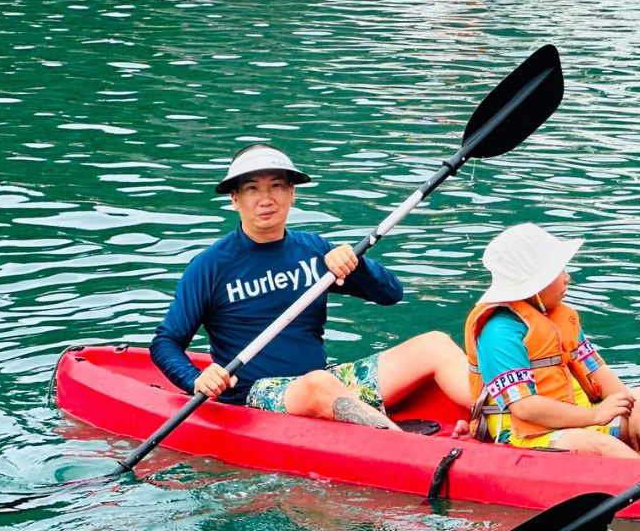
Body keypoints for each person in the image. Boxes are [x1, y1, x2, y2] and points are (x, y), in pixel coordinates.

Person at [150, 142, 472, 429]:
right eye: (252, 189)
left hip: (327, 383)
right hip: (256, 395)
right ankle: (406, 448)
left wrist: (358, 267)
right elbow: (166, 342)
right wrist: (196, 379)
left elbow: (391, 294)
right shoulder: (210, 266)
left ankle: (504, 419)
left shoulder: (313, 250)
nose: (266, 198)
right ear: (235, 198)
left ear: (292, 193)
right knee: (318, 383)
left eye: (276, 185)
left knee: (435, 344)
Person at [464, 223, 640, 458]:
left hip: (578, 417)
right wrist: (594, 416)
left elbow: (596, 369)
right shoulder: (499, 331)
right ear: (534, 284)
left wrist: (632, 409)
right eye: (559, 272)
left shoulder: (559, 317)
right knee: (602, 447)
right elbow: (524, 407)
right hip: (524, 435)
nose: (567, 278)